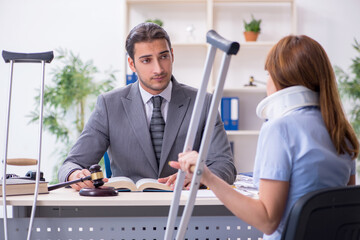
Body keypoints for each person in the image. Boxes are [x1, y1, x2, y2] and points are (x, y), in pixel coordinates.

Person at [171, 35, 359, 240]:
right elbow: (344, 212)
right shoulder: (341, 132)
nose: (267, 83)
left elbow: (267, 221)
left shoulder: (279, 129)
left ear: (281, 79)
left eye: (268, 74)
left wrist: (207, 177)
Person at [58, 22, 237, 190]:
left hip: (184, 207)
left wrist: (201, 176)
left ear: (172, 55)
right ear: (132, 64)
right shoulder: (109, 105)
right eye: (146, 60)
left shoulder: (203, 102)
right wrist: (75, 174)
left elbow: (225, 165)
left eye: (163, 57)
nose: (158, 69)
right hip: (127, 212)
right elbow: (70, 165)